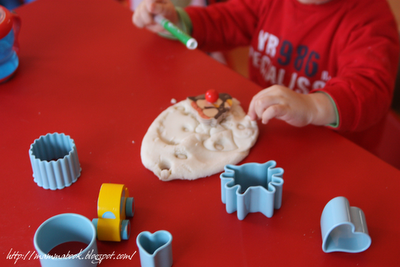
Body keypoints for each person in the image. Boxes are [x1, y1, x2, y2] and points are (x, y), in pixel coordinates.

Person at [133, 0, 400, 133]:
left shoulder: (371, 22)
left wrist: (313, 107)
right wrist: (181, 22)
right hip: (266, 128)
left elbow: (370, 89)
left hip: (335, 146)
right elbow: (226, 19)